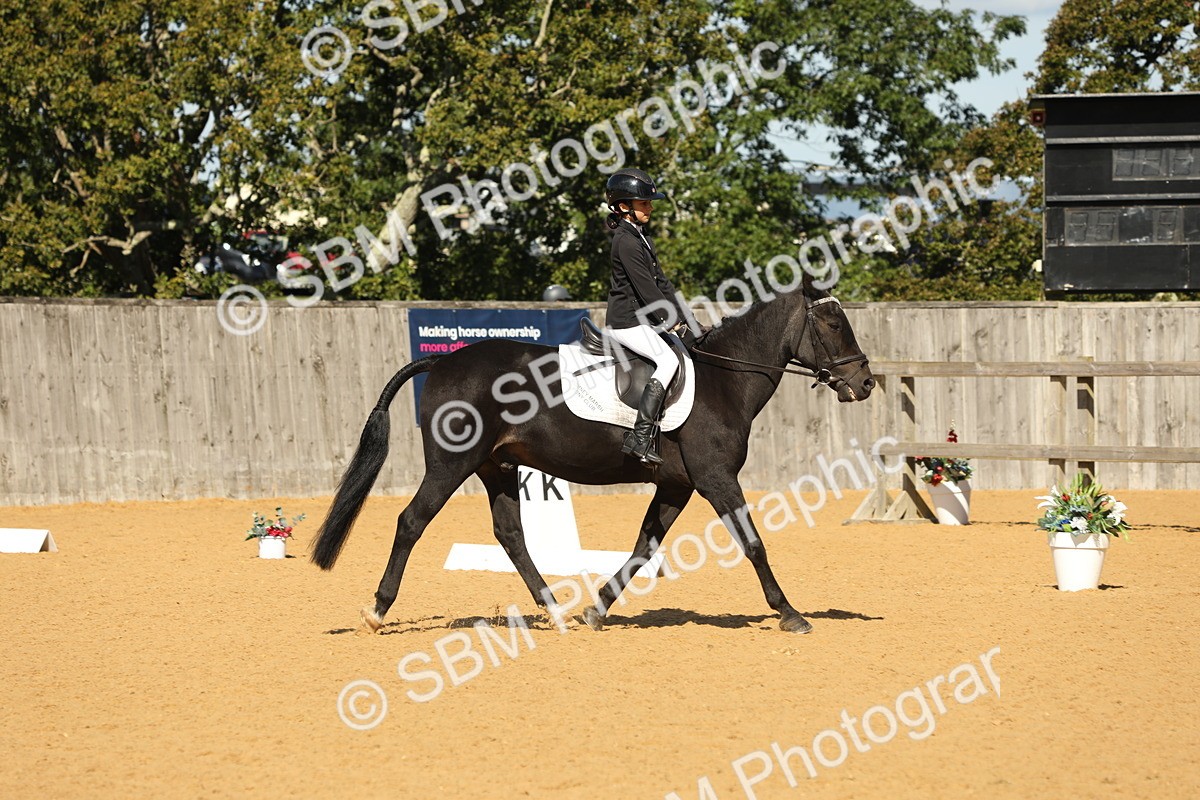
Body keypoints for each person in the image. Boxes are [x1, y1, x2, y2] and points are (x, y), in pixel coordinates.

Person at [603, 167, 699, 466]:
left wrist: (688, 319)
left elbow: (663, 284)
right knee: (668, 361)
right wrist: (674, 323)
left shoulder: (641, 237)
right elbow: (646, 289)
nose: (650, 207)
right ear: (623, 207)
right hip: (626, 322)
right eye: (644, 203)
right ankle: (640, 437)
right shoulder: (626, 241)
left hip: (642, 320)